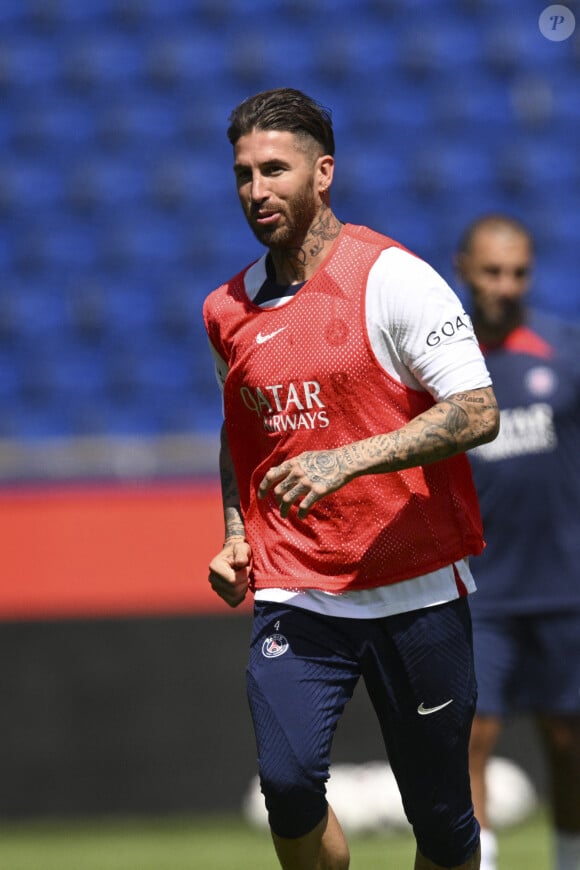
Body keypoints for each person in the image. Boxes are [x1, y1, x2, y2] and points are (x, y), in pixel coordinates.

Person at [203, 87, 500, 870]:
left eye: (275, 169)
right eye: (243, 173)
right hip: (298, 590)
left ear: (323, 171)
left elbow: (476, 410)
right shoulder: (226, 310)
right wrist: (237, 534)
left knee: (441, 821)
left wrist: (350, 457)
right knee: (289, 781)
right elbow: (242, 440)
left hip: (417, 591)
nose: (256, 190)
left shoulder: (394, 278)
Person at [454, 214, 580, 870]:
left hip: (565, 582)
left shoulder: (566, 351)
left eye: (518, 272)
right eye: (491, 270)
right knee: (475, 735)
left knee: (569, 740)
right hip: (482, 587)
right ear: (464, 269)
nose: (505, 284)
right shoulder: (445, 364)